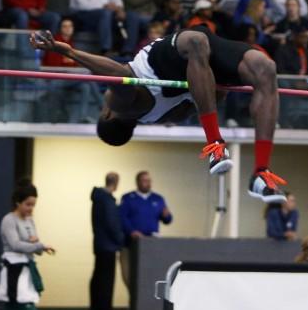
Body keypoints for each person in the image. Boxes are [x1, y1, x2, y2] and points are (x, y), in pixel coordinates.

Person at [30, 23, 288, 203]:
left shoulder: (168, 117)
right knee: (213, 48)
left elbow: (213, 96)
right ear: (107, 115)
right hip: (177, 56)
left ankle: (260, 173)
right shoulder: (121, 105)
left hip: (202, 58)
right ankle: (216, 146)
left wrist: (221, 86)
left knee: (265, 68)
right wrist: (69, 52)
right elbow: (117, 73)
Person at [0, 181, 55, 310]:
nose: (31, 209)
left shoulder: (29, 220)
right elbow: (15, 245)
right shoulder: (9, 220)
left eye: (33, 205)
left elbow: (34, 246)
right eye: (28, 204)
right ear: (18, 202)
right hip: (14, 271)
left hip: (26, 268)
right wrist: (38, 245)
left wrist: (40, 246)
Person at [89, 172, 125, 310]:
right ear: (116, 183)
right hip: (108, 245)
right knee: (106, 280)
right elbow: (112, 223)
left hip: (99, 243)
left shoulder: (98, 199)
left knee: (97, 278)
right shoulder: (107, 200)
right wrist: (120, 240)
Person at [120, 171, 172, 238]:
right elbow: (122, 218)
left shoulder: (158, 199)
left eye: (149, 181)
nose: (148, 183)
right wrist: (131, 231)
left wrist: (167, 216)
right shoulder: (128, 198)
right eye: (145, 181)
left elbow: (167, 220)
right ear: (137, 182)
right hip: (133, 239)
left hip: (152, 239)